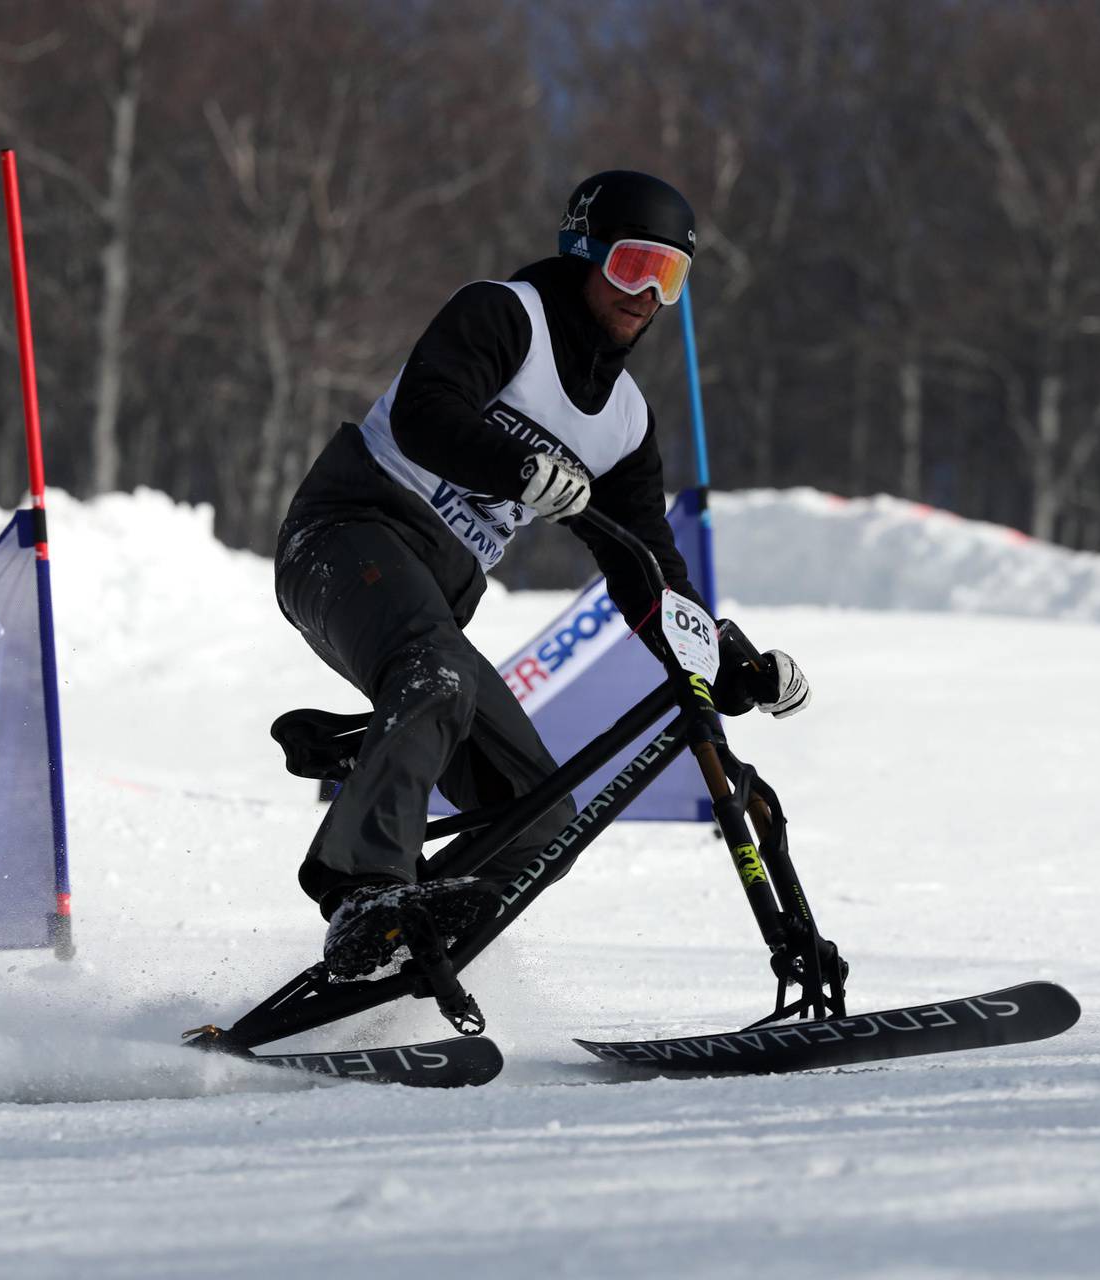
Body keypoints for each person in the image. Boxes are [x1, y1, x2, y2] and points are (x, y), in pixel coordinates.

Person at [274, 170, 811, 976]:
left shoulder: (625, 421)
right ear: (584, 250)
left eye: (670, 278)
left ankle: (403, 938)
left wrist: (727, 660)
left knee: (541, 817)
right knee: (438, 672)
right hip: (349, 532)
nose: (646, 297)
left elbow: (646, 566)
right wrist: (516, 464)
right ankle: (363, 893)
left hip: (433, 595)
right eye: (633, 267)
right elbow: (425, 412)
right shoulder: (503, 315)